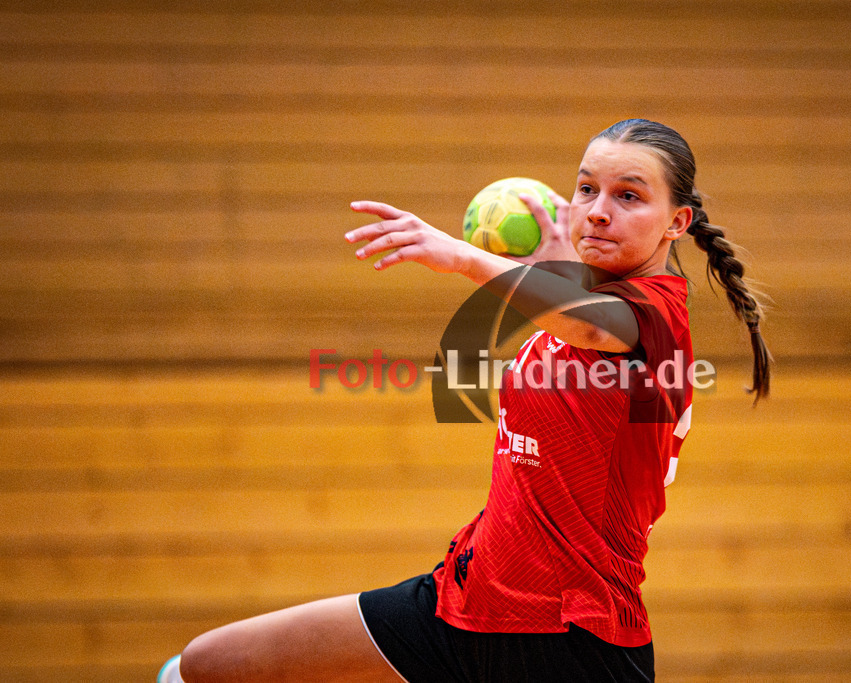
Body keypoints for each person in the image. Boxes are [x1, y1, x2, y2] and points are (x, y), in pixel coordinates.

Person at [161, 118, 770, 682]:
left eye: (628, 196)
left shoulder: (658, 310)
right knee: (208, 663)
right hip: (464, 601)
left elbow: (594, 325)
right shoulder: (574, 299)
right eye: (587, 190)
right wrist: (554, 263)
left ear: (677, 223)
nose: (599, 211)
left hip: (570, 636)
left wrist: (461, 257)